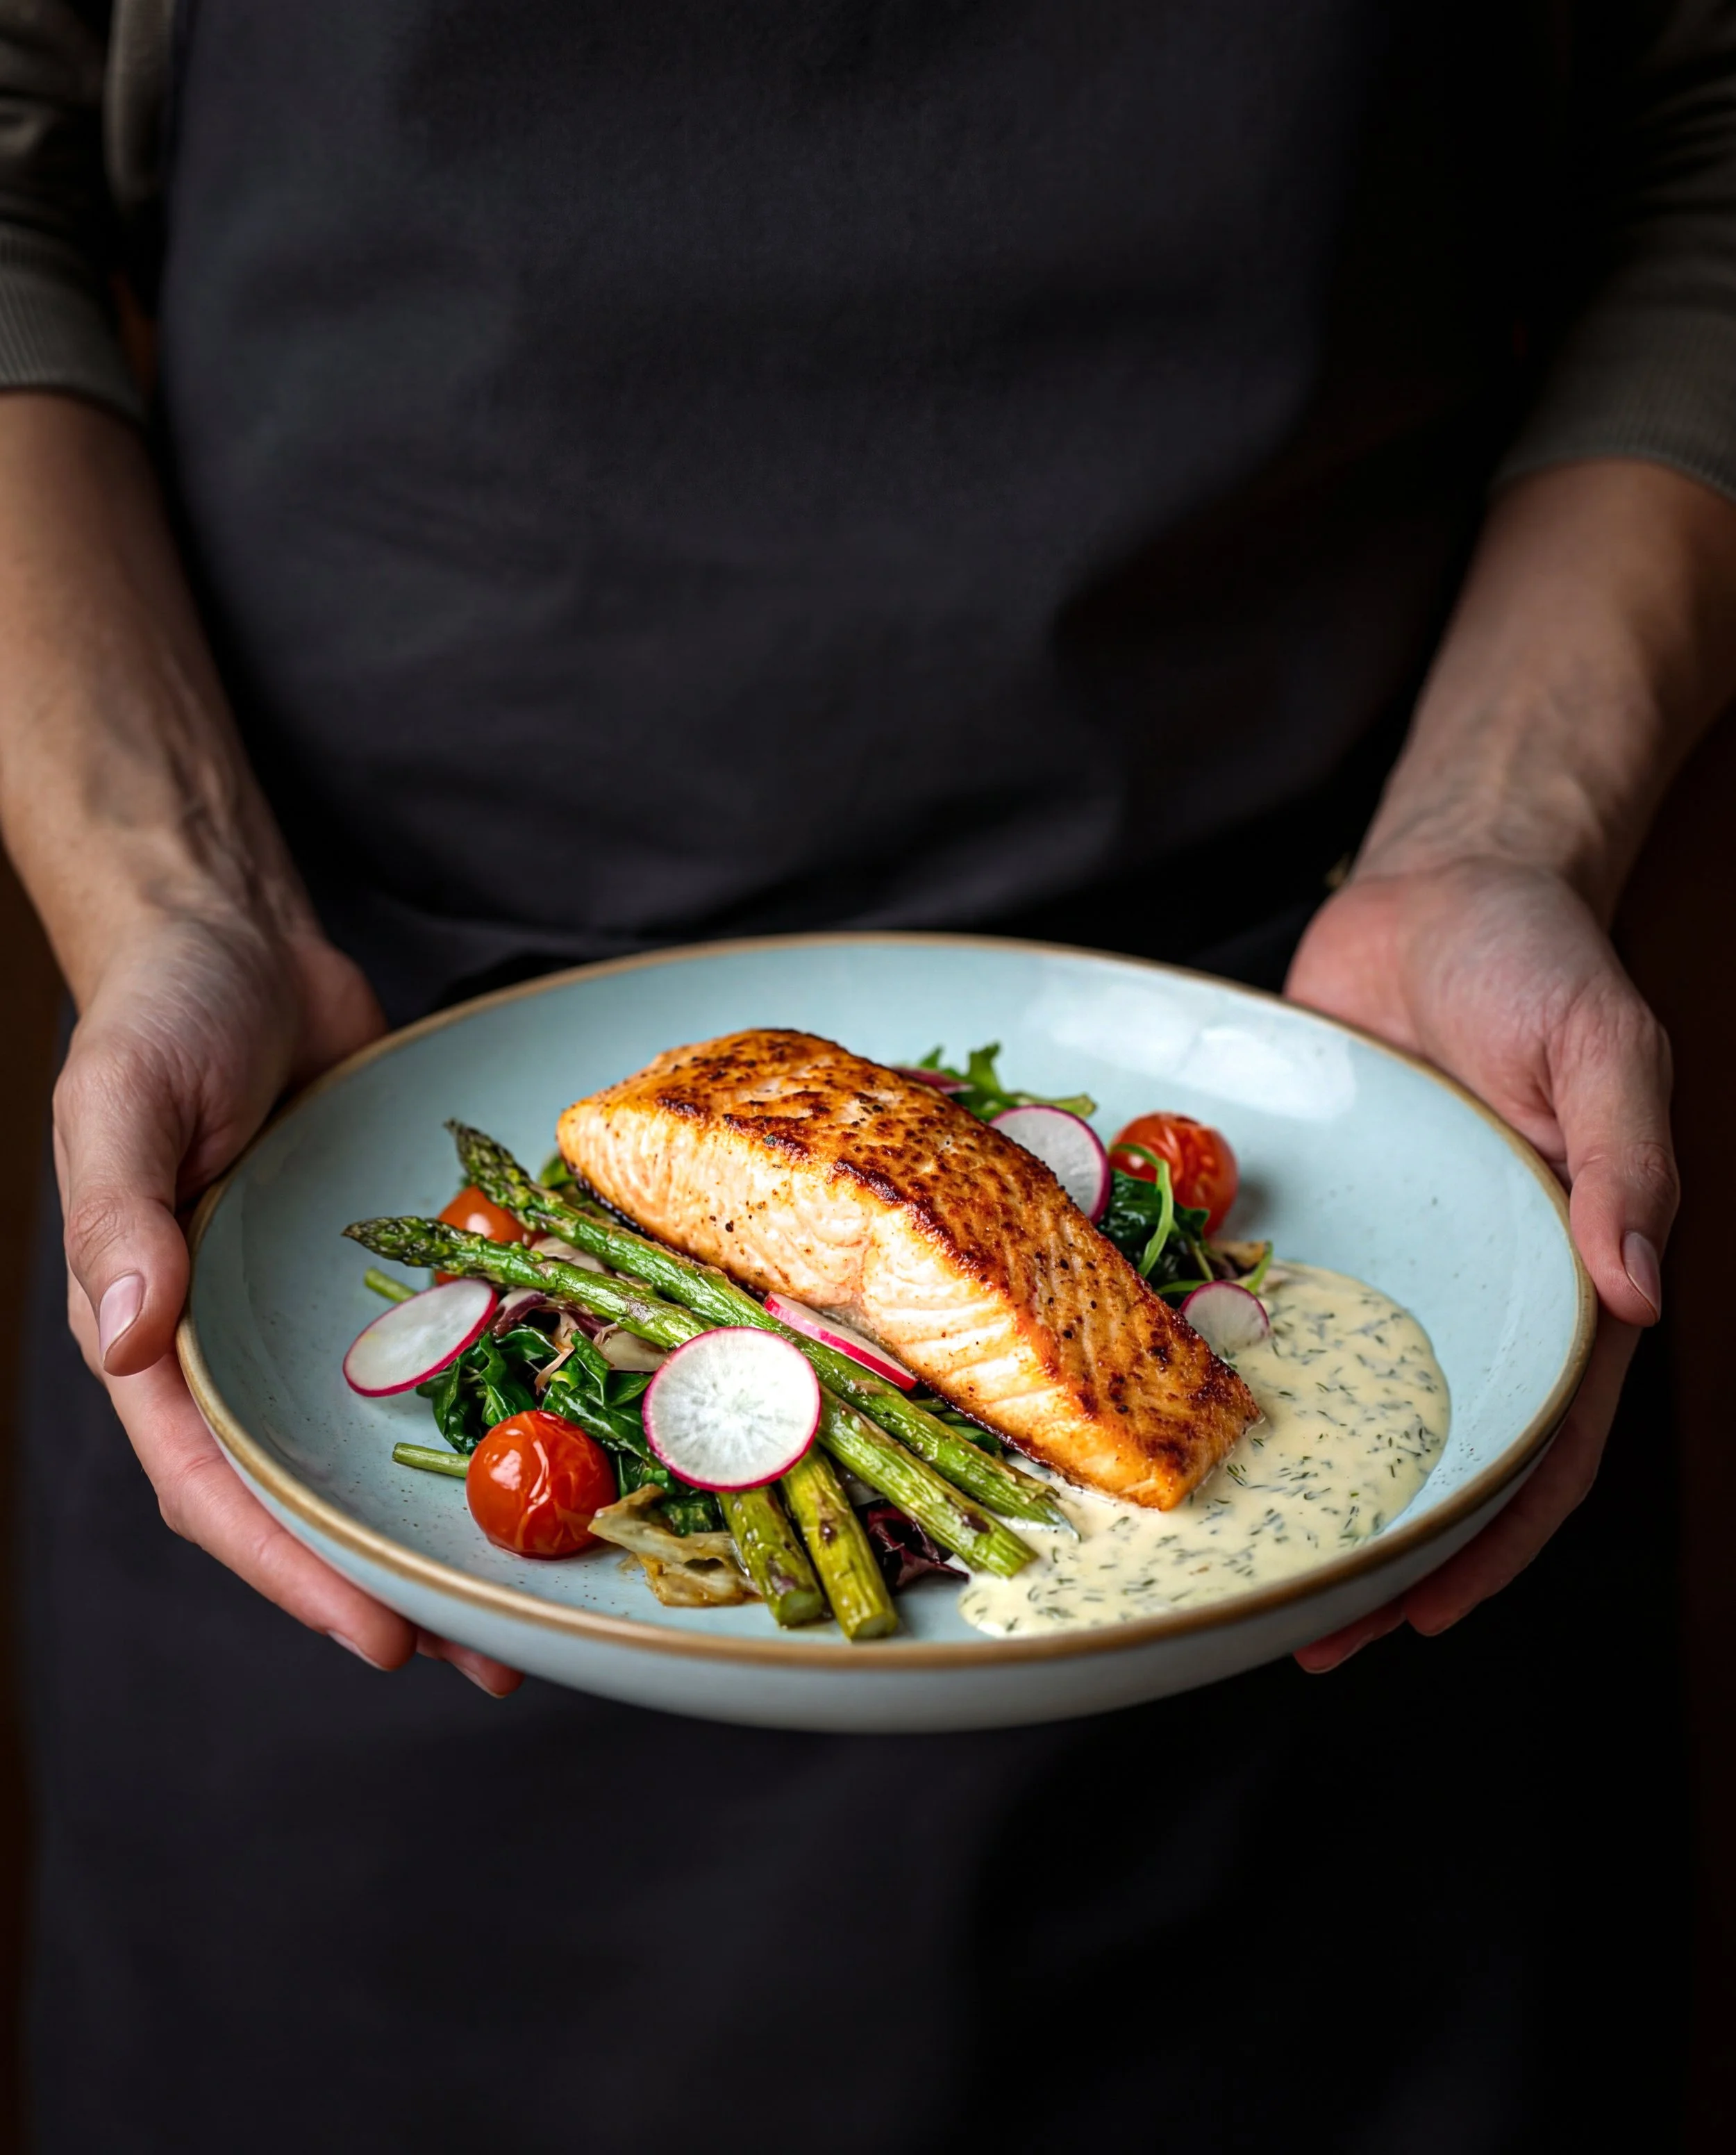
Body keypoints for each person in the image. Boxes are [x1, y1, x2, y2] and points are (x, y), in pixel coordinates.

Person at [1, 1, 1732, 2147]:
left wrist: (1496, 827)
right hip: (337, 1059)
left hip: (1326, 1076)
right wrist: (176, 893)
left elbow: (1703, 126)